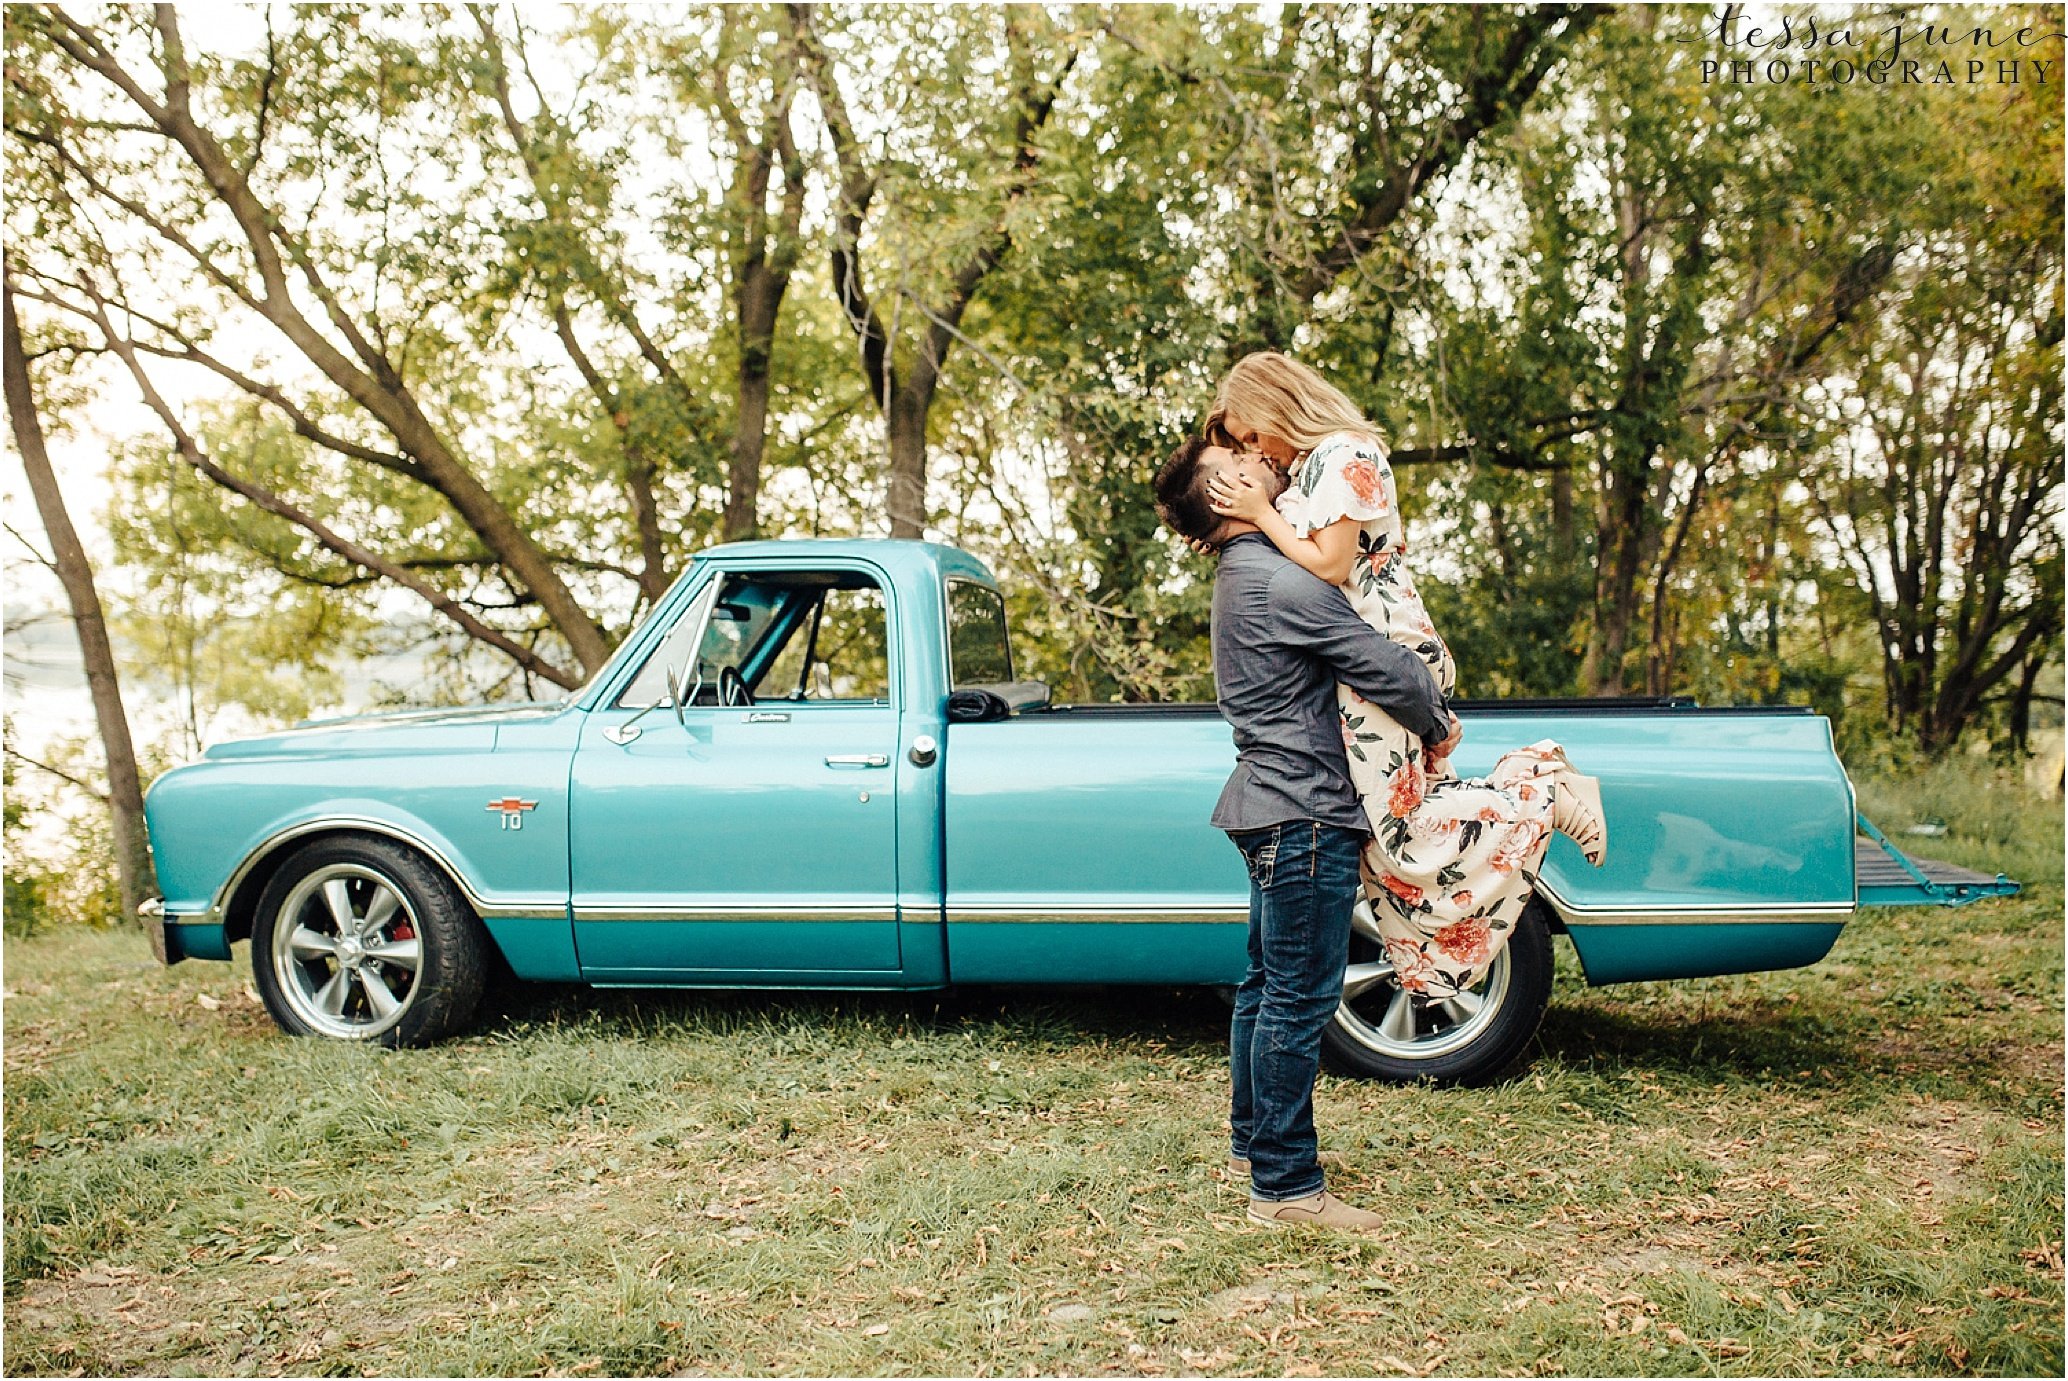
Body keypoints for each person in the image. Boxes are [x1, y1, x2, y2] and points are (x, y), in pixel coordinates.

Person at [1202, 350, 1606, 1004]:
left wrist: (1262, 513)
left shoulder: (1347, 453)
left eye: (1252, 433)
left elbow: (1331, 566)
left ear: (1279, 406)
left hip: (1380, 650)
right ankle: (1534, 785)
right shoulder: (1306, 473)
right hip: (1353, 663)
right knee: (1393, 834)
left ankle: (1543, 792)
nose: (1255, 450)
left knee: (1402, 834)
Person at [1153, 437, 1456, 1235]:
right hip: (1305, 812)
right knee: (1299, 997)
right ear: (1223, 494)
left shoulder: (1245, 576)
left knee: (1265, 986)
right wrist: (1437, 716)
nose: (1264, 463)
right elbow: (1385, 667)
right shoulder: (1277, 578)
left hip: (1271, 807)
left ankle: (1256, 1146)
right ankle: (1287, 1190)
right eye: (1241, 463)